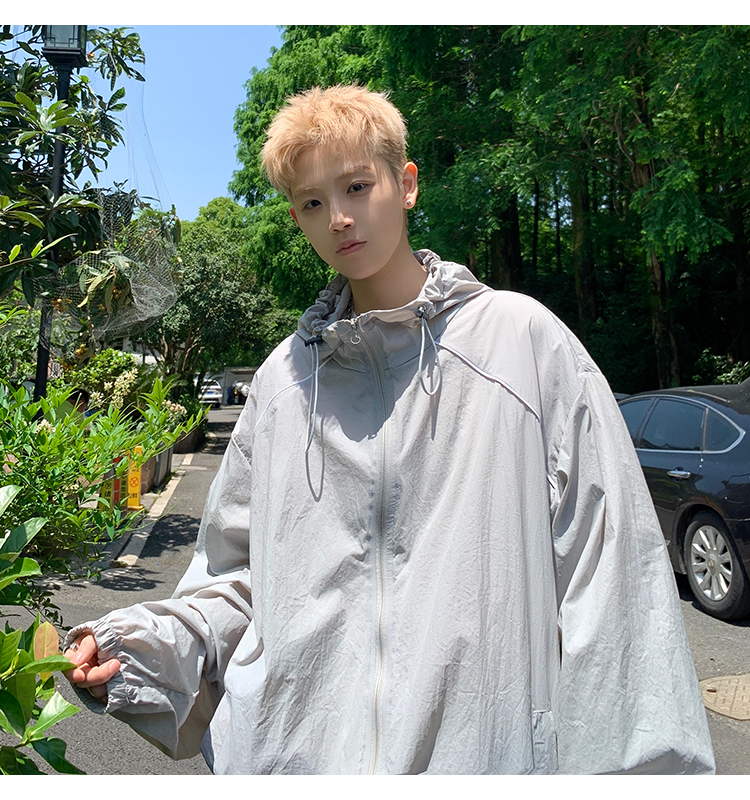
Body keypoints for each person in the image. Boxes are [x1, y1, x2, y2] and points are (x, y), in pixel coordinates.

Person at [64, 85, 715, 775]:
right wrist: (136, 650)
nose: (339, 218)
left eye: (356, 186)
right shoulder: (283, 384)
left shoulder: (521, 344)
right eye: (312, 203)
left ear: (405, 184)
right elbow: (236, 583)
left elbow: (613, 586)